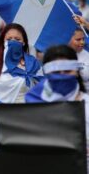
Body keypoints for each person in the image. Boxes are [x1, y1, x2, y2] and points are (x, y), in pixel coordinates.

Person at [24, 45, 89, 173]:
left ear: (76, 71)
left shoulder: (87, 104)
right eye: (56, 72)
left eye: (67, 71)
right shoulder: (33, 106)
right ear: (46, 73)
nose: (62, 75)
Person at [0, 23, 43, 104]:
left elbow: (44, 89)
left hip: (27, 112)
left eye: (17, 39)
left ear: (24, 42)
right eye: (9, 39)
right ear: (3, 42)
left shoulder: (33, 64)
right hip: (0, 113)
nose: (13, 42)